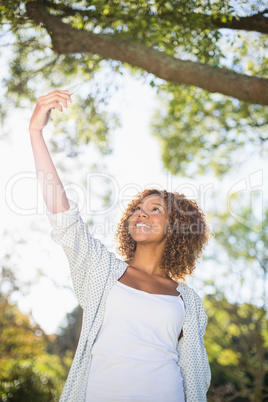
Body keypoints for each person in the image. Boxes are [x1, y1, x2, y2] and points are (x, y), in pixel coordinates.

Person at [29, 90, 211, 402]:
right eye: (139, 208)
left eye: (156, 209)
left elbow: (194, 375)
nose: (143, 212)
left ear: (177, 227)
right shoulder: (102, 270)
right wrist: (35, 132)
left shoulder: (189, 302)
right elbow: (64, 217)